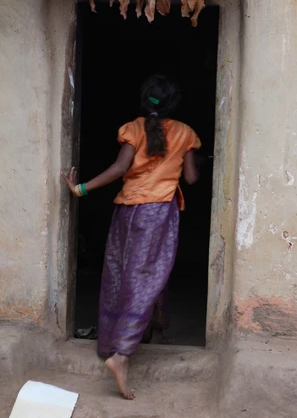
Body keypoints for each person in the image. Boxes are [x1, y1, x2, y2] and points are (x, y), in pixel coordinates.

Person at [61, 74, 200, 399]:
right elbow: (191, 178)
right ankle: (122, 354)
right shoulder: (186, 134)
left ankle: (147, 333)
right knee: (149, 276)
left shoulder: (133, 129)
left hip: (127, 212)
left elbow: (119, 168)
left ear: (145, 101)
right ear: (173, 103)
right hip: (158, 214)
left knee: (127, 274)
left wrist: (81, 188)